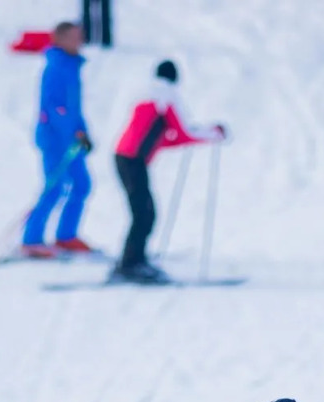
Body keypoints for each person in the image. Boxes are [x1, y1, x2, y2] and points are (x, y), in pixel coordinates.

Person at [110, 60, 228, 284]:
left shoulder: (149, 96)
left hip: (126, 157)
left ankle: (134, 260)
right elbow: (183, 132)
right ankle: (130, 264)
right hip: (132, 160)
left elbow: (167, 137)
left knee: (144, 212)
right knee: (144, 213)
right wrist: (213, 134)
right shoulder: (166, 96)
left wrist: (205, 135)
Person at [21, 22, 94, 259]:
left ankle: (66, 236)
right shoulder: (55, 67)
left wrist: (83, 132)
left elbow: (74, 107)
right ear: (60, 39)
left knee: (82, 184)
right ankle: (31, 239)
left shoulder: (72, 66)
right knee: (54, 187)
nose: (79, 41)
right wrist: (71, 134)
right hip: (55, 139)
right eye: (74, 37)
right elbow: (54, 109)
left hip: (72, 139)